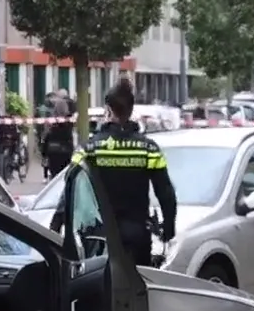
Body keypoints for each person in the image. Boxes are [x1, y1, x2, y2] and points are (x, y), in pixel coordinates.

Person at [72, 78, 176, 269]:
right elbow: (165, 192)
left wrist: (57, 226)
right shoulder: (148, 149)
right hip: (137, 237)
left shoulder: (89, 149)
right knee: (137, 290)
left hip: (99, 239)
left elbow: (70, 189)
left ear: (108, 110)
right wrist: (168, 228)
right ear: (131, 110)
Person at [41, 89, 77, 178]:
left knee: (55, 173)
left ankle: (47, 174)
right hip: (66, 148)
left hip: (54, 148)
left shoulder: (54, 123)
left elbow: (47, 137)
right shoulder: (69, 121)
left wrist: (44, 154)